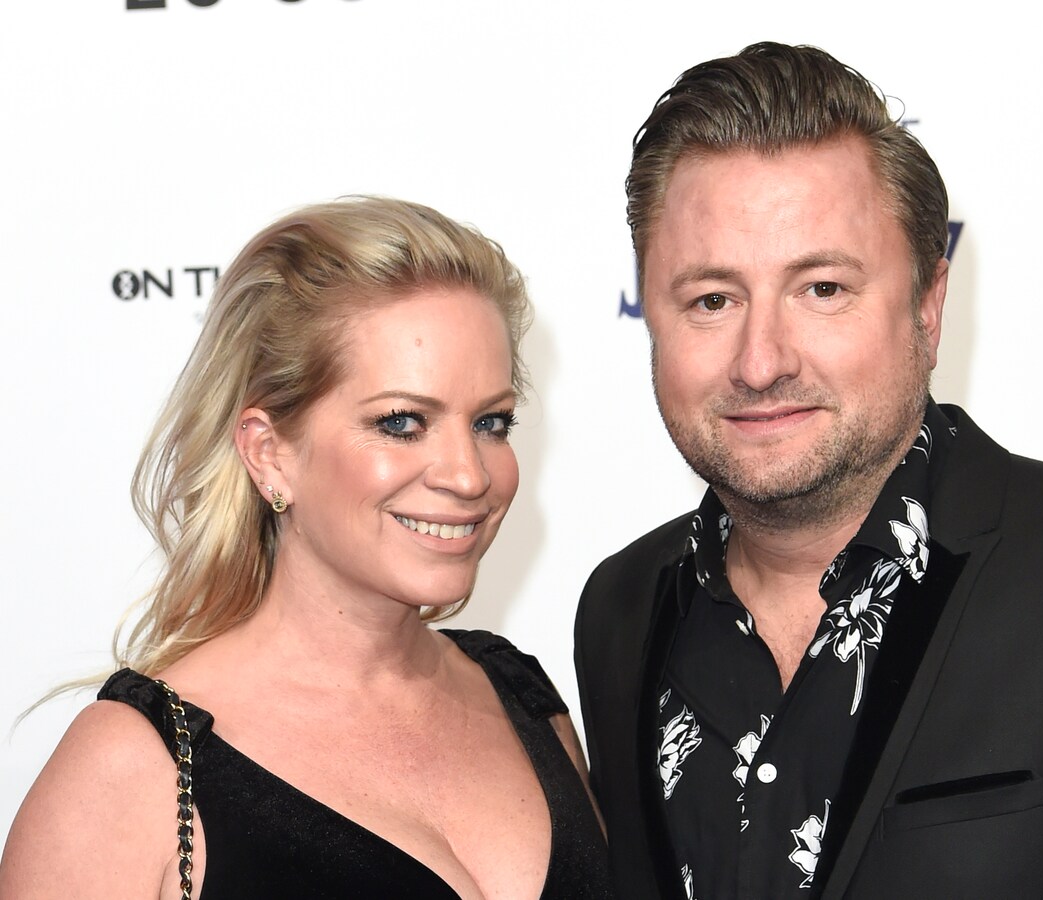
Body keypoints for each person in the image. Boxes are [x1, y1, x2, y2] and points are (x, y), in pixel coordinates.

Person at [574, 41, 1043, 899]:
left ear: (928, 307)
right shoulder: (620, 609)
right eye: (712, 300)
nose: (761, 362)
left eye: (822, 289)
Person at [0, 197, 613, 899]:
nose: (469, 475)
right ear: (269, 453)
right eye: (401, 423)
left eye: (491, 422)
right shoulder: (135, 768)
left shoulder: (524, 698)